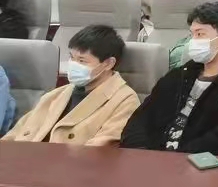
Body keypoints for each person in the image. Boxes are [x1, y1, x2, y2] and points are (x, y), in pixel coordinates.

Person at [120, 2, 218, 154]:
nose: (193, 41)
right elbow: (141, 119)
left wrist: (174, 159)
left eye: (200, 34)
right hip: (151, 157)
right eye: (192, 34)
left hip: (195, 162)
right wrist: (139, 152)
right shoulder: (179, 75)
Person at [2, 25, 138, 145]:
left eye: (82, 60)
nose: (73, 65)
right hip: (24, 160)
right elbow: (15, 134)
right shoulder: (56, 95)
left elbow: (102, 148)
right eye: (72, 58)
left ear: (108, 63)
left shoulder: (125, 100)